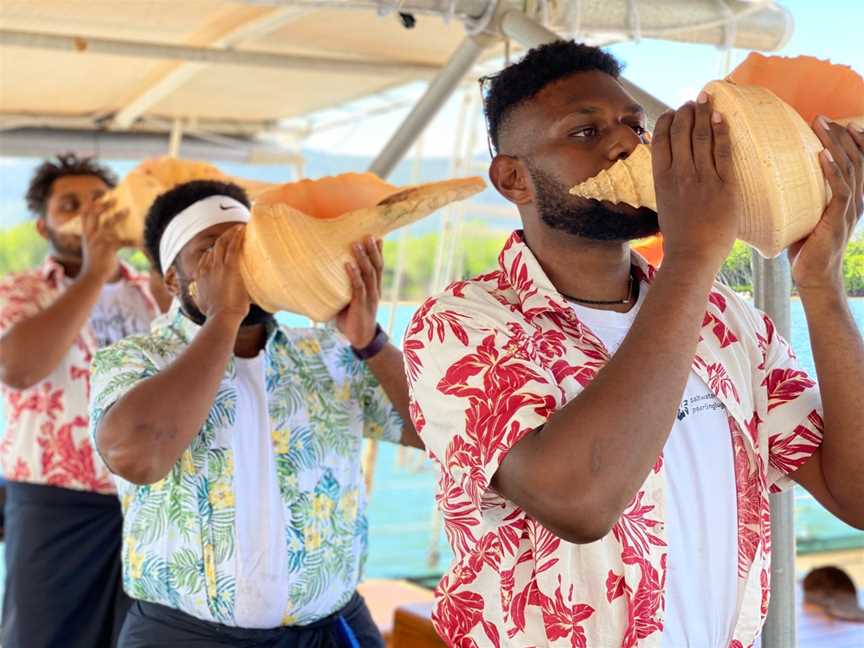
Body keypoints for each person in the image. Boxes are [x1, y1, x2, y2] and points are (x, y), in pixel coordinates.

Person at [403, 40, 864, 647]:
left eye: (633, 126)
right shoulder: (459, 323)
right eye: (584, 131)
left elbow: (855, 494)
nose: (624, 144)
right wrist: (694, 254)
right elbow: (580, 502)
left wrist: (821, 284)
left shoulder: (729, 320)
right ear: (513, 178)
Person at [90, 179, 423, 647]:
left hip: (330, 628)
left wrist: (370, 341)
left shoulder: (327, 351)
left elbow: (434, 433)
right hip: (185, 635)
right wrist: (224, 315)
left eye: (248, 247)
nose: (240, 264)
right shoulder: (135, 360)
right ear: (172, 279)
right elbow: (138, 456)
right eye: (214, 252)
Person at [0, 153, 161, 647]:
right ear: (43, 227)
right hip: (55, 502)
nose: (89, 213)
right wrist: (94, 274)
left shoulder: (155, 292)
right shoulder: (20, 291)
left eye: (100, 201)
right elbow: (17, 368)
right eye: (71, 204)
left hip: (150, 502)